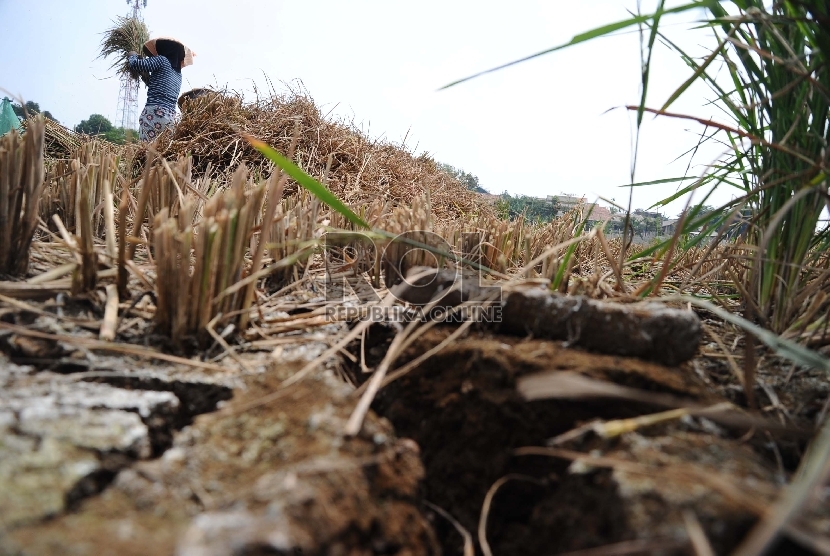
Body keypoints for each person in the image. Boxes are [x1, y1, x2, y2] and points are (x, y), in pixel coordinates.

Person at [128, 37, 195, 141]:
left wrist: (132, 55)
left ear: (164, 49)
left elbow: (136, 65)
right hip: (170, 118)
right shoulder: (178, 74)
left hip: (154, 114)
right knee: (162, 152)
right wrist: (145, 77)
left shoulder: (162, 60)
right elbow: (157, 86)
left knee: (147, 151)